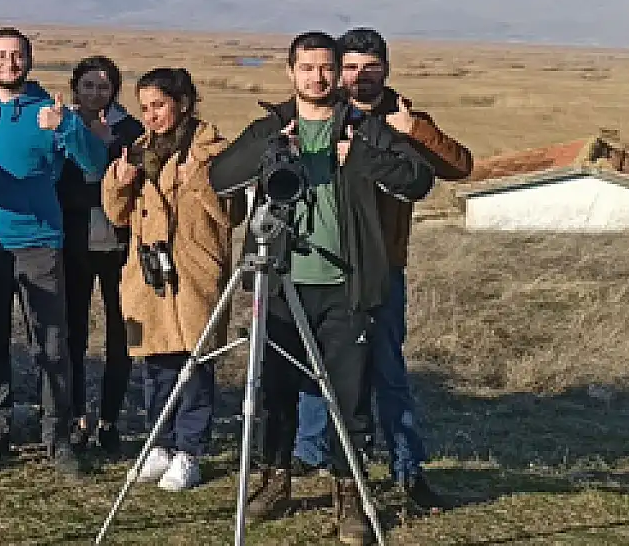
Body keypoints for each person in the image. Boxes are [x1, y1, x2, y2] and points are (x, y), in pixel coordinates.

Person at [209, 31, 434, 546]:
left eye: (326, 68)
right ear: (291, 72)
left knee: (349, 397)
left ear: (338, 72)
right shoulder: (271, 125)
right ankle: (274, 481)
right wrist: (271, 149)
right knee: (275, 391)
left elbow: (418, 179)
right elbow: (219, 176)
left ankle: (349, 496)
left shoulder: (363, 127)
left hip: (345, 284)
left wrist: (361, 157)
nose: (317, 77)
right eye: (307, 68)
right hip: (281, 282)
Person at [291, 28, 473, 513]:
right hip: (325, 266)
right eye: (348, 67)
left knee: (388, 370)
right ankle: (312, 457)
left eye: (369, 69)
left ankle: (406, 466)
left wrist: (414, 131)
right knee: (316, 367)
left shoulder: (402, 121)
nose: (357, 77)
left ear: (386, 71)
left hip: (383, 266)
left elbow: (460, 167)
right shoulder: (321, 118)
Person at [0, 27, 108, 477]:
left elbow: (94, 165)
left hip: (40, 243)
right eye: (1, 56)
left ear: (29, 60)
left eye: (17, 55)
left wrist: (66, 126)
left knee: (51, 344)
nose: (9, 62)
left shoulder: (51, 110)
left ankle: (57, 436)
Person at [102, 68, 242, 493]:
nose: (151, 116)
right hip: (150, 276)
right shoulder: (139, 151)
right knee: (157, 364)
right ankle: (159, 444)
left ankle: (189, 452)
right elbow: (116, 213)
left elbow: (231, 211)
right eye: (145, 108)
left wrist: (197, 179)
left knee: (195, 365)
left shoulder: (213, 151)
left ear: (181, 102)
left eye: (159, 105)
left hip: (194, 271)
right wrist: (119, 184)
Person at [57, 56, 145, 463]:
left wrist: (107, 146)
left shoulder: (130, 131)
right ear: (75, 89)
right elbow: (65, 184)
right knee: (73, 332)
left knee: (119, 336)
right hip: (73, 244)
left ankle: (109, 420)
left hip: (117, 247)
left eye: (103, 86)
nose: (94, 93)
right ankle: (75, 417)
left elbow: (127, 187)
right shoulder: (63, 126)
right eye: (87, 85)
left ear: (115, 90)